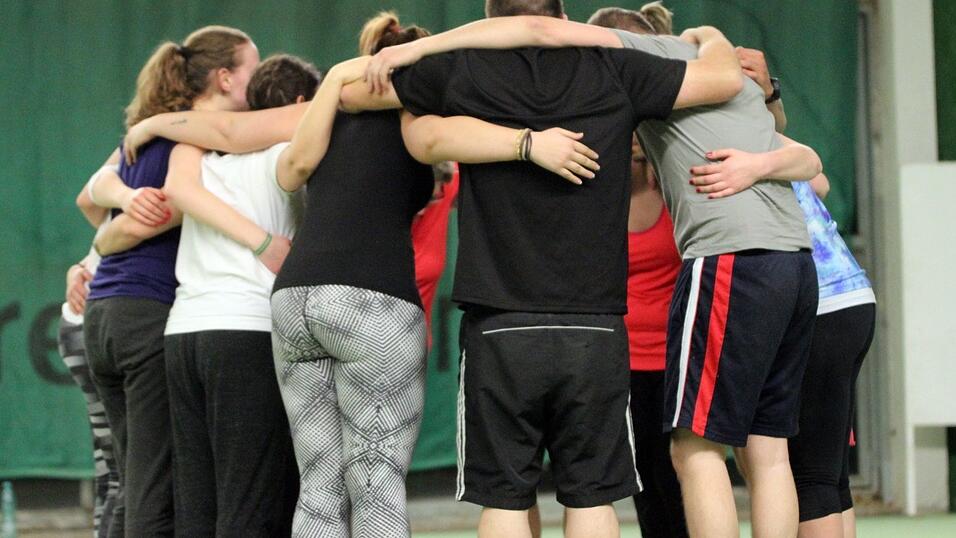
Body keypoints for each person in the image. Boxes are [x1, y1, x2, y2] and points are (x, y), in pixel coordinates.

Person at [117, 11, 601, 535]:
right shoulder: (428, 109)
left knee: (319, 486)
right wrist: (530, 142)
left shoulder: (331, 107)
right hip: (372, 304)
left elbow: (239, 135)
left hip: (294, 301)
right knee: (376, 484)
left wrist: (151, 122)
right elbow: (452, 146)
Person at [359, 4, 826, 537]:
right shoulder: (638, 74)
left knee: (518, 495)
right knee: (603, 492)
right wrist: (727, 58)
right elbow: (791, 145)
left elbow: (370, 97)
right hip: (618, 317)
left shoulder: (475, 71)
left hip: (510, 318)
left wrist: (414, 51)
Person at [92, 54, 319, 537]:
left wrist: (99, 244)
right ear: (301, 104)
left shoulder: (189, 154)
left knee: (194, 502)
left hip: (183, 334)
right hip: (246, 331)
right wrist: (262, 242)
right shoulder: (285, 159)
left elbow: (100, 201)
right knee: (249, 500)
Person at [80, 25, 259, 537]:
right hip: (146, 315)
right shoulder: (195, 138)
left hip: (105, 316)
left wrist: (106, 236)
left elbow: (90, 197)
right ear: (224, 79)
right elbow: (123, 206)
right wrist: (124, 219)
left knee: (134, 475)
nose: (261, 77)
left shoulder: (152, 130)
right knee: (155, 485)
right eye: (253, 67)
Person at [57, 210, 121, 538]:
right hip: (100, 316)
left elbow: (89, 198)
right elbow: (87, 199)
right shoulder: (173, 166)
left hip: (81, 319)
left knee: (110, 473)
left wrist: (81, 268)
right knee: (123, 478)